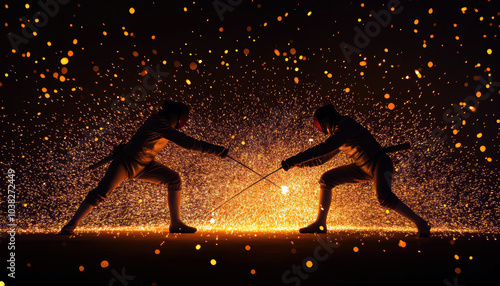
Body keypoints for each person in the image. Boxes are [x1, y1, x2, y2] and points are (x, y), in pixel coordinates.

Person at [60, 100, 229, 235]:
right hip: (126, 163)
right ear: (174, 115)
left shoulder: (162, 123)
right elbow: (187, 142)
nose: (182, 122)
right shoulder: (159, 121)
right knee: (101, 193)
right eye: (182, 118)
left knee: (173, 179)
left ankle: (175, 224)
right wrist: (217, 150)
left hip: (145, 165)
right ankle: (71, 224)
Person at [281, 104, 431, 237]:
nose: (323, 130)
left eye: (321, 126)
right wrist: (298, 164)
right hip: (363, 167)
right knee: (327, 179)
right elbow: (322, 158)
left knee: (384, 197)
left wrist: (293, 160)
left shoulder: (345, 125)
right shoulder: (339, 133)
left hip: (379, 162)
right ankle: (320, 224)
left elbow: (324, 148)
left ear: (325, 120)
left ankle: (421, 223)